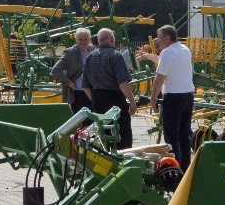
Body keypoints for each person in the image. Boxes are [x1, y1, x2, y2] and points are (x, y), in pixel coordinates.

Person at [141, 25, 195, 171]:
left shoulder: (167, 52)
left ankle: (173, 168)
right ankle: (184, 167)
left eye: (159, 38)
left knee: (171, 136)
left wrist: (152, 98)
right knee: (184, 134)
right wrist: (150, 57)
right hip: (188, 96)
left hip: (173, 97)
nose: (158, 41)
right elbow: (168, 63)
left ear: (166, 37)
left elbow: (160, 77)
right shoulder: (184, 50)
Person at [82, 28, 137, 148]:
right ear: (112, 39)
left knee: (102, 132)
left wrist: (95, 100)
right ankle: (123, 156)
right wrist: (132, 102)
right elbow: (123, 82)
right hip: (115, 98)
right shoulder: (116, 55)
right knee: (123, 131)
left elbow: (85, 86)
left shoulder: (90, 57)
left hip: (97, 98)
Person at [51, 27, 94, 112]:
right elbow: (56, 70)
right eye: (80, 39)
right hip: (79, 93)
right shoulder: (70, 53)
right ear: (76, 39)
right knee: (81, 122)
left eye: (85, 39)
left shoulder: (93, 50)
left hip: (93, 92)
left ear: (89, 39)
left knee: (94, 121)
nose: (82, 42)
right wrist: (69, 83)